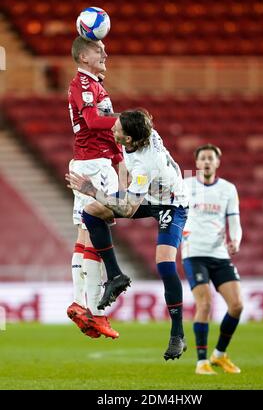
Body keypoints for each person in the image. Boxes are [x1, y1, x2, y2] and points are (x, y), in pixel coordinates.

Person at [66, 109, 188, 360]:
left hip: (172, 204)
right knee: (92, 213)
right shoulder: (138, 133)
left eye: (117, 128)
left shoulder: (145, 163)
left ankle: (177, 334)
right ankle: (116, 276)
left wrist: (92, 190)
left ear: (129, 139)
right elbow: (132, 126)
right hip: (148, 195)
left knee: (165, 265)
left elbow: (129, 208)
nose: (112, 128)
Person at [67, 36, 125, 340]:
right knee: (97, 234)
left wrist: (117, 150)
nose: (105, 53)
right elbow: (91, 119)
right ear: (83, 57)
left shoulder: (91, 84)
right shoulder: (85, 85)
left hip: (90, 160)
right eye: (98, 50)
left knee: (84, 233)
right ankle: (97, 312)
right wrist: (125, 121)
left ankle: (81, 303)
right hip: (94, 164)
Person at [181, 144, 243, 375]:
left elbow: (234, 220)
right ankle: (201, 362)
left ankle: (219, 355)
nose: (206, 162)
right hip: (194, 253)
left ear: (217, 162)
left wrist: (235, 240)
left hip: (219, 254)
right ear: (196, 163)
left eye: (211, 158)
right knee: (205, 304)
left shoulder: (228, 189)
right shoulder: (186, 186)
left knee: (237, 305)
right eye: (203, 158)